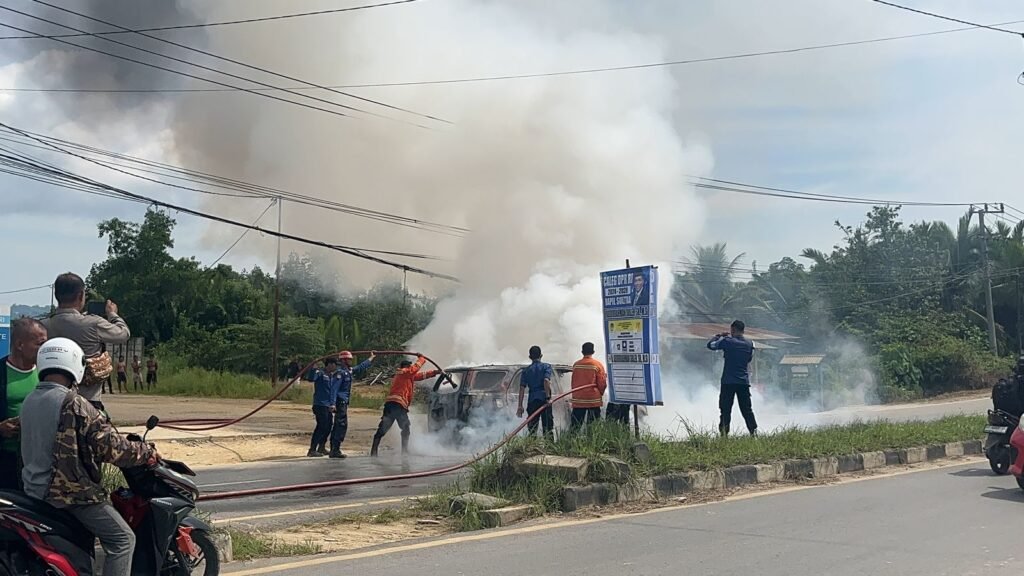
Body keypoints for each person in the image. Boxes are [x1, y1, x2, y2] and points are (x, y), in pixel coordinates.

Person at [21, 338, 158, 576]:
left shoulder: (30, 400)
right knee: (123, 540)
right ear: (75, 365)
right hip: (69, 495)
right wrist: (147, 452)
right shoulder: (75, 404)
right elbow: (112, 448)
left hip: (33, 488)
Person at [42, 272, 130, 413]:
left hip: (51, 403)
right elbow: (123, 334)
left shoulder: (42, 326)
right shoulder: (93, 323)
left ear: (56, 295)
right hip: (88, 402)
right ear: (80, 295)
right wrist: (113, 314)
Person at [0, 318, 47, 490]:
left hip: (38, 461)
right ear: (20, 345)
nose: (44, 349)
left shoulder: (48, 372)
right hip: (7, 460)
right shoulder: (2, 372)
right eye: (40, 344)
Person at [370, 355, 440, 457]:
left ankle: (401, 451)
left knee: (400, 427)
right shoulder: (402, 372)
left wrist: (434, 372)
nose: (411, 369)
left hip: (394, 405)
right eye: (409, 366)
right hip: (397, 404)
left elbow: (420, 376)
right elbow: (413, 370)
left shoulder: (407, 375)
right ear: (405, 366)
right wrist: (422, 359)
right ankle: (398, 452)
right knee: (389, 427)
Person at [707, 319, 758, 437]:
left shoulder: (727, 341)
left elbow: (710, 346)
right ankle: (753, 432)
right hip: (743, 382)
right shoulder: (750, 343)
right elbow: (749, 359)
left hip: (728, 381)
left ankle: (724, 435)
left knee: (725, 409)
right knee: (747, 409)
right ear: (743, 330)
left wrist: (718, 337)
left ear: (733, 329)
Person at [328, 350, 375, 459]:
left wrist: (371, 358)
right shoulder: (340, 373)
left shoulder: (348, 371)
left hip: (343, 402)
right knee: (341, 425)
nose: (350, 361)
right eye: (348, 359)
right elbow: (334, 389)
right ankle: (335, 450)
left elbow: (360, 367)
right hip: (340, 402)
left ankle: (334, 449)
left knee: (339, 425)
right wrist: (332, 404)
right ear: (343, 360)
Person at [517, 345, 555, 438]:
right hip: (544, 401)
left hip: (532, 401)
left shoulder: (526, 371)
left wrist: (520, 406)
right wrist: (548, 398)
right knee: (547, 428)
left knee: (532, 428)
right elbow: (546, 381)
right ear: (541, 355)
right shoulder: (546, 367)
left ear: (530, 357)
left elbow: (522, 388)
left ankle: (531, 449)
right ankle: (549, 449)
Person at [570, 342, 607, 430]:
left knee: (575, 427)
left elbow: (573, 382)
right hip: (593, 400)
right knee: (593, 428)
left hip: (578, 400)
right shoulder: (597, 365)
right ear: (593, 351)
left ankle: (572, 443)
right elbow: (602, 383)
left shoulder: (576, 365)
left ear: (582, 352)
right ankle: (591, 443)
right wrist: (600, 394)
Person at [307, 356, 339, 457]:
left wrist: (333, 404)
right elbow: (311, 379)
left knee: (329, 426)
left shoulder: (332, 376)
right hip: (319, 404)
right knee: (321, 426)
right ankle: (312, 449)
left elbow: (332, 392)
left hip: (328, 406)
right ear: (329, 364)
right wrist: (313, 367)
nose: (336, 367)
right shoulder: (320, 373)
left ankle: (321, 447)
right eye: (335, 365)